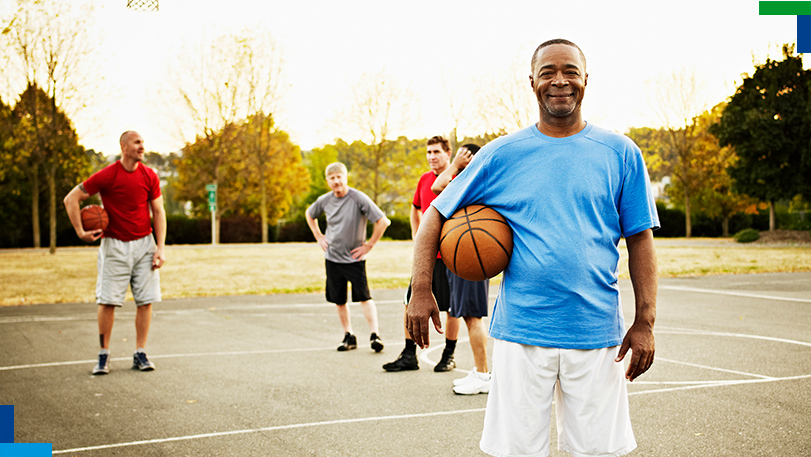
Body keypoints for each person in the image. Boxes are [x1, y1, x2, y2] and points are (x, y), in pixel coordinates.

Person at [406, 39, 659, 457]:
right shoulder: (502, 154)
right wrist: (420, 289)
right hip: (520, 334)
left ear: (585, 80)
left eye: (570, 71)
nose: (559, 80)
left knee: (599, 454)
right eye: (548, 72)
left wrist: (645, 320)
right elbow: (434, 213)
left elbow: (641, 240)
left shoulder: (621, 153)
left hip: (597, 335)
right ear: (532, 82)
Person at [63, 130, 166, 375]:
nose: (142, 146)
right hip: (114, 245)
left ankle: (140, 352)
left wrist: (160, 247)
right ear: (124, 146)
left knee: (145, 300)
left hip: (144, 244)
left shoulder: (149, 176)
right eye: (137, 142)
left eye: (143, 141)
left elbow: (159, 212)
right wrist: (80, 231)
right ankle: (103, 354)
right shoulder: (108, 175)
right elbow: (71, 199)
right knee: (107, 301)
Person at [382, 136, 461, 373]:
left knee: (452, 308)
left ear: (449, 153)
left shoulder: (457, 179)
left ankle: (449, 354)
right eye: (428, 152)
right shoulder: (424, 180)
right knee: (410, 302)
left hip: (451, 256)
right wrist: (417, 238)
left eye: (436, 152)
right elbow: (415, 209)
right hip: (427, 258)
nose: (431, 156)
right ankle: (409, 354)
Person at [306, 162, 389, 353]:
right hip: (333, 258)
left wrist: (369, 245)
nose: (336, 181)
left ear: (345, 177)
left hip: (354, 259)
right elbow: (310, 214)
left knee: (364, 297)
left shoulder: (358, 198)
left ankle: (375, 335)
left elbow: (382, 221)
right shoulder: (325, 200)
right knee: (340, 300)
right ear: (327, 181)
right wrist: (318, 236)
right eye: (332, 178)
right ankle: (348, 336)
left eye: (339, 177)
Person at [430, 143, 492, 395]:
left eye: (465, 156)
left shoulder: (475, 182)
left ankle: (484, 375)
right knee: (468, 316)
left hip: (473, 254)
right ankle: (480, 372)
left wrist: (456, 165)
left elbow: (437, 187)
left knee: (472, 316)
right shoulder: (465, 181)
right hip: (463, 253)